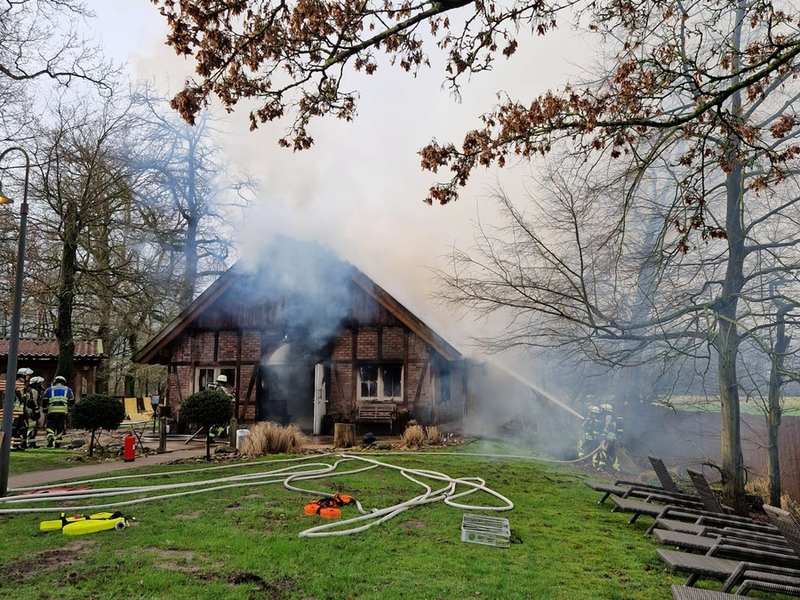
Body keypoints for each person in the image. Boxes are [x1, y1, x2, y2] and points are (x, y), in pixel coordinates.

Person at [42, 375, 75, 448]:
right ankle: (58, 443)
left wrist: (45, 408)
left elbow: (44, 399)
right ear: (63, 382)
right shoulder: (68, 390)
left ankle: (50, 437)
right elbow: (71, 400)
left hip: (52, 410)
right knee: (60, 426)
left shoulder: (49, 389)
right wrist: (70, 409)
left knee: (50, 425)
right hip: (63, 411)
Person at [10, 368, 34, 451]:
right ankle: (11, 445)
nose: (29, 377)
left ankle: (17, 445)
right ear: (22, 375)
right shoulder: (15, 385)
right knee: (13, 428)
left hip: (22, 412)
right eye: (27, 375)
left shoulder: (24, 386)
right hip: (15, 411)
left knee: (22, 428)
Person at [208, 374, 233, 440]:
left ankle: (219, 434)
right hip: (220, 409)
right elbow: (229, 397)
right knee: (217, 423)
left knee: (221, 423)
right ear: (224, 382)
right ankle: (211, 438)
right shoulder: (222, 388)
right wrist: (233, 394)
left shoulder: (216, 388)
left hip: (215, 408)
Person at [26, 375, 45, 448]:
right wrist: (36, 411)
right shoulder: (33, 391)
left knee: (33, 427)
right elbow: (33, 401)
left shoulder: (30, 390)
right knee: (32, 426)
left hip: (30, 411)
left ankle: (31, 442)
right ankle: (30, 443)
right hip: (31, 412)